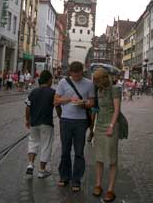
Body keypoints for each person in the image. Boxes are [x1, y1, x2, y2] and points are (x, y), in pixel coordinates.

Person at [54, 61, 95, 192]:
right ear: (70, 73)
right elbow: (55, 100)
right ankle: (64, 176)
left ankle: (76, 180)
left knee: (79, 152)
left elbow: (92, 103)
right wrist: (65, 100)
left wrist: (84, 103)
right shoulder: (63, 83)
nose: (76, 78)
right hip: (66, 120)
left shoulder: (89, 83)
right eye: (74, 75)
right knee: (65, 150)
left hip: (81, 121)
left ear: (82, 72)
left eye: (78, 75)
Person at [92, 68, 121, 202]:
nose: (96, 83)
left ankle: (110, 189)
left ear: (103, 79)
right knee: (99, 157)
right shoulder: (99, 90)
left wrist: (111, 126)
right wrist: (93, 126)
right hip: (99, 126)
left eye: (97, 81)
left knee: (112, 158)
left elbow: (116, 110)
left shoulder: (115, 89)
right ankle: (98, 185)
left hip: (111, 126)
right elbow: (97, 110)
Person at [25, 70, 55, 178]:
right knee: (46, 146)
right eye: (52, 79)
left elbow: (28, 107)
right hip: (47, 123)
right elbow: (58, 106)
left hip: (34, 122)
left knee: (33, 142)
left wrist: (27, 120)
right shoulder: (52, 92)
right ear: (49, 80)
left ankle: (30, 164)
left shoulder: (33, 92)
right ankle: (42, 171)